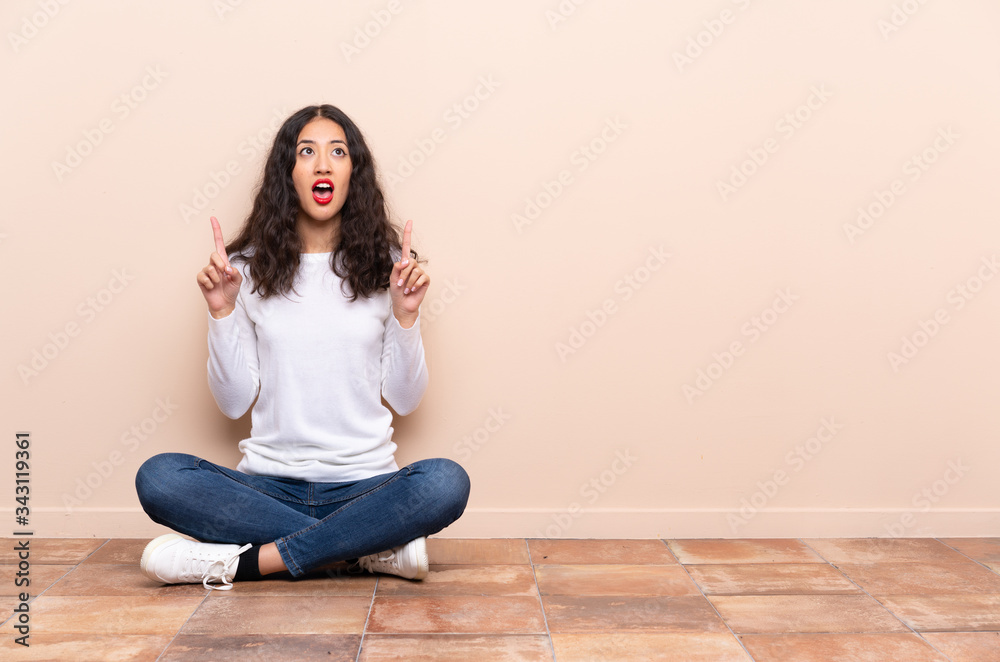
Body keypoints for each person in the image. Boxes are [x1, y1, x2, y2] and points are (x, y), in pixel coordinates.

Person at [134, 104, 470, 590]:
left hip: (365, 486)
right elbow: (232, 404)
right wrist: (222, 311)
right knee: (160, 477)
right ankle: (364, 552)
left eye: (338, 152)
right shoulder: (243, 269)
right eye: (306, 152)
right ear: (287, 174)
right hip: (267, 487)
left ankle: (244, 564)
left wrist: (406, 314)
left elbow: (406, 399)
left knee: (445, 482)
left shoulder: (389, 268)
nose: (323, 164)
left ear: (354, 170)